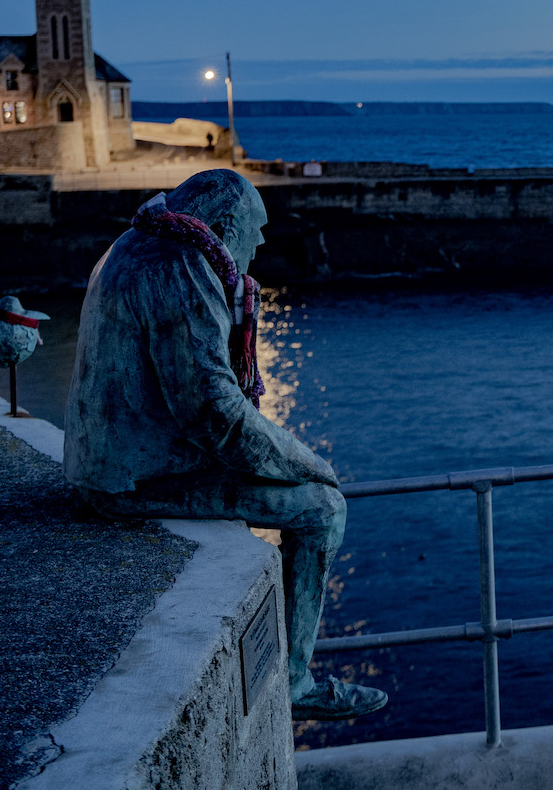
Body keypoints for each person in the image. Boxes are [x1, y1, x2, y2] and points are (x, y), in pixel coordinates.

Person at [63, 169, 386, 721]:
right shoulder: (179, 266)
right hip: (133, 481)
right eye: (257, 229)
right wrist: (312, 463)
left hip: (112, 460)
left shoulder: (139, 241)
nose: (261, 244)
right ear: (227, 222)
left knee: (291, 485)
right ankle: (295, 683)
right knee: (323, 509)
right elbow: (214, 414)